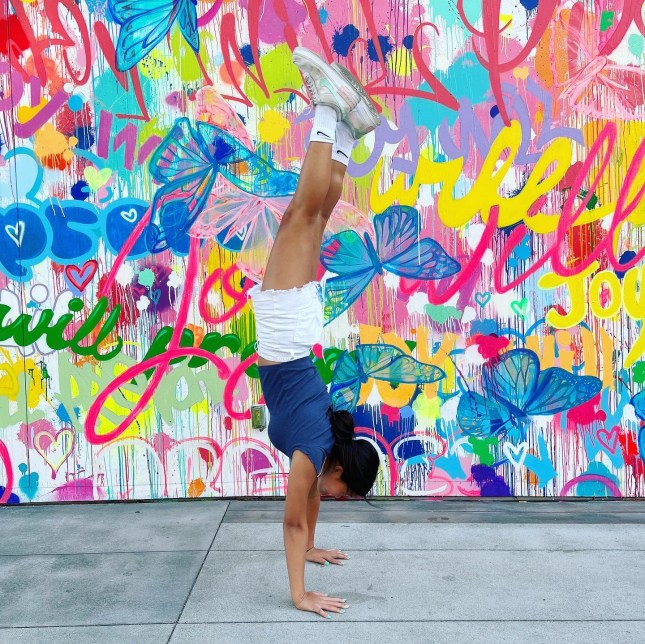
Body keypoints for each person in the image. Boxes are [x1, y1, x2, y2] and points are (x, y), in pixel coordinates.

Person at [248, 47, 381, 619]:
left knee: (315, 218)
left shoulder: (323, 448)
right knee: (303, 215)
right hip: (284, 333)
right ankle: (328, 112)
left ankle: (348, 131)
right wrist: (300, 594)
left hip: (296, 333)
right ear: (338, 472)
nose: (337, 499)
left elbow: (310, 507)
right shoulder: (311, 450)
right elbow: (293, 520)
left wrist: (313, 548)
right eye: (345, 492)